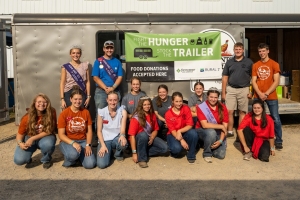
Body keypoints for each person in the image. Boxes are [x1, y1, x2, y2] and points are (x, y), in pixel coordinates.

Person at [252, 43, 283, 150]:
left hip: (271, 96)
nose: (262, 53)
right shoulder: (255, 65)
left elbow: (276, 81)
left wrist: (266, 93)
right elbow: (254, 81)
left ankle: (278, 140)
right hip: (258, 95)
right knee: (256, 118)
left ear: (268, 51)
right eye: (260, 51)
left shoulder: (274, 64)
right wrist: (260, 93)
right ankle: (257, 137)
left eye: (264, 51)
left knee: (275, 118)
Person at [13, 93, 57, 169]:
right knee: (19, 160)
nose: (42, 104)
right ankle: (27, 158)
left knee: (48, 144)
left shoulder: (51, 112)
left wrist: (32, 138)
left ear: (48, 103)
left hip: (45, 137)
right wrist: (20, 143)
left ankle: (46, 160)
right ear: (34, 103)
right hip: (29, 137)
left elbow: (49, 130)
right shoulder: (26, 117)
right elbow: (20, 135)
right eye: (39, 102)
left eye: (44, 102)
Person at [58, 86, 96, 169]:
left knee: (90, 164)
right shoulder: (64, 113)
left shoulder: (85, 112)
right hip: (68, 141)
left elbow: (89, 131)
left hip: (82, 140)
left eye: (80, 99)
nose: (78, 101)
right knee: (72, 155)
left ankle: (78, 156)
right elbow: (61, 135)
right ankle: (71, 158)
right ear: (71, 99)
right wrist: (73, 143)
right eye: (75, 99)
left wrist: (88, 145)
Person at [221, 42, 253, 138]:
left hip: (244, 89)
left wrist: (251, 92)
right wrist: (223, 92)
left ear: (243, 50)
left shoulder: (249, 62)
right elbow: (225, 77)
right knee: (229, 111)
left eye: (240, 49)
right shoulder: (229, 62)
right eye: (236, 49)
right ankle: (230, 131)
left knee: (242, 112)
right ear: (234, 51)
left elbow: (254, 78)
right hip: (231, 89)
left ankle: (240, 131)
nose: (238, 51)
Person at [128, 96, 168, 168]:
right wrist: (134, 153)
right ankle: (142, 159)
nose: (147, 106)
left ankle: (141, 153)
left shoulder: (152, 115)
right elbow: (132, 136)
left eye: (149, 104)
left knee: (165, 148)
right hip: (139, 139)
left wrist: (152, 137)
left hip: (149, 136)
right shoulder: (136, 118)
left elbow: (156, 129)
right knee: (143, 135)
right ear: (141, 106)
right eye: (145, 105)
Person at [196, 87, 229, 163]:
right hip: (202, 131)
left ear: (218, 98)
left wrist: (220, 141)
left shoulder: (223, 107)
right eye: (211, 97)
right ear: (207, 96)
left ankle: (209, 144)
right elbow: (204, 125)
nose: (213, 99)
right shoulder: (202, 107)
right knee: (211, 132)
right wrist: (220, 126)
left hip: (217, 133)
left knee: (221, 155)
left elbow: (225, 126)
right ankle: (207, 153)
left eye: (215, 97)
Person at [165, 92, 198, 164]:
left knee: (193, 133)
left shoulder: (186, 108)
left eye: (180, 101)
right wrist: (181, 140)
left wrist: (179, 131)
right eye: (176, 101)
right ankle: (174, 148)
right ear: (172, 101)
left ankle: (191, 155)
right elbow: (172, 130)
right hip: (172, 134)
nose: (179, 103)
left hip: (184, 131)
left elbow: (190, 124)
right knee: (176, 150)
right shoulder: (168, 114)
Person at [97, 91, 128, 169]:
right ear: (107, 100)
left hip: (116, 138)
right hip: (105, 139)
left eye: (115, 100)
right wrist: (103, 145)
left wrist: (122, 136)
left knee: (123, 143)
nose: (113, 102)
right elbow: (99, 131)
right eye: (110, 100)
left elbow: (123, 129)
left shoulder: (122, 111)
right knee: (102, 165)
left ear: (118, 100)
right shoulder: (101, 112)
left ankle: (118, 154)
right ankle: (109, 152)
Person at [92, 40, 123, 110]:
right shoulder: (98, 61)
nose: (109, 50)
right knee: (100, 114)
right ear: (104, 49)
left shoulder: (117, 62)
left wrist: (112, 88)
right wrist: (105, 88)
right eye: (107, 48)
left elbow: (120, 77)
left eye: (111, 48)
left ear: (113, 49)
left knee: (115, 113)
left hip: (115, 90)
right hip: (101, 92)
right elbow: (95, 77)